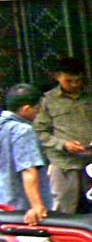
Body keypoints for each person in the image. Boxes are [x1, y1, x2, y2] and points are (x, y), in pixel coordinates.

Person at [34, 57, 92, 214]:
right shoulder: (47, 100)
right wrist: (63, 144)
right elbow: (40, 131)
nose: (74, 84)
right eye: (69, 81)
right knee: (64, 209)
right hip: (64, 163)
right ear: (57, 77)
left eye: (78, 80)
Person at [0, 83, 53, 225]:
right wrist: (37, 205)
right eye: (37, 109)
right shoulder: (23, 131)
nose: (39, 113)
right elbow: (28, 169)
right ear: (26, 109)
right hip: (20, 205)